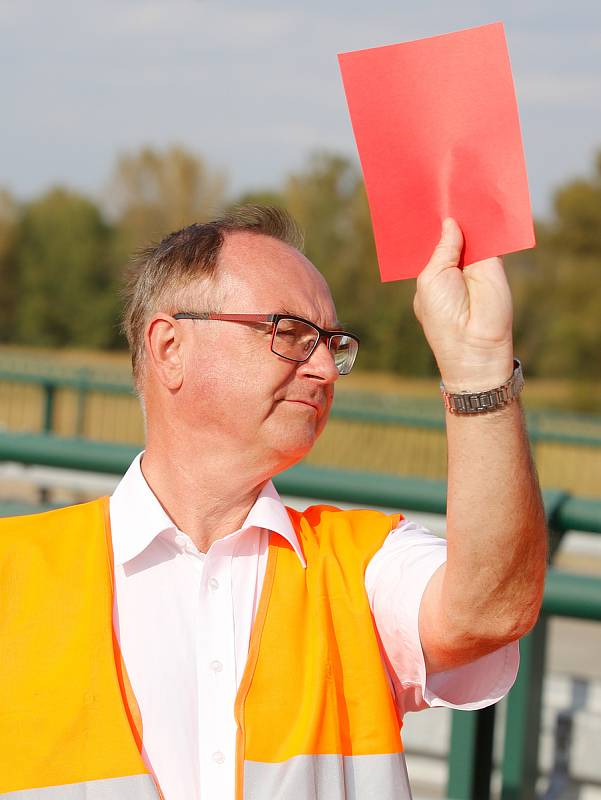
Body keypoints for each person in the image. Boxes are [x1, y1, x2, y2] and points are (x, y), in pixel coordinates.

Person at [0, 206, 547, 800]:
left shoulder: (361, 568)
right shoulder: (13, 575)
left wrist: (478, 371)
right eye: (288, 333)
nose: (324, 370)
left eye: (332, 344)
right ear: (169, 346)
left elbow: (490, 611)